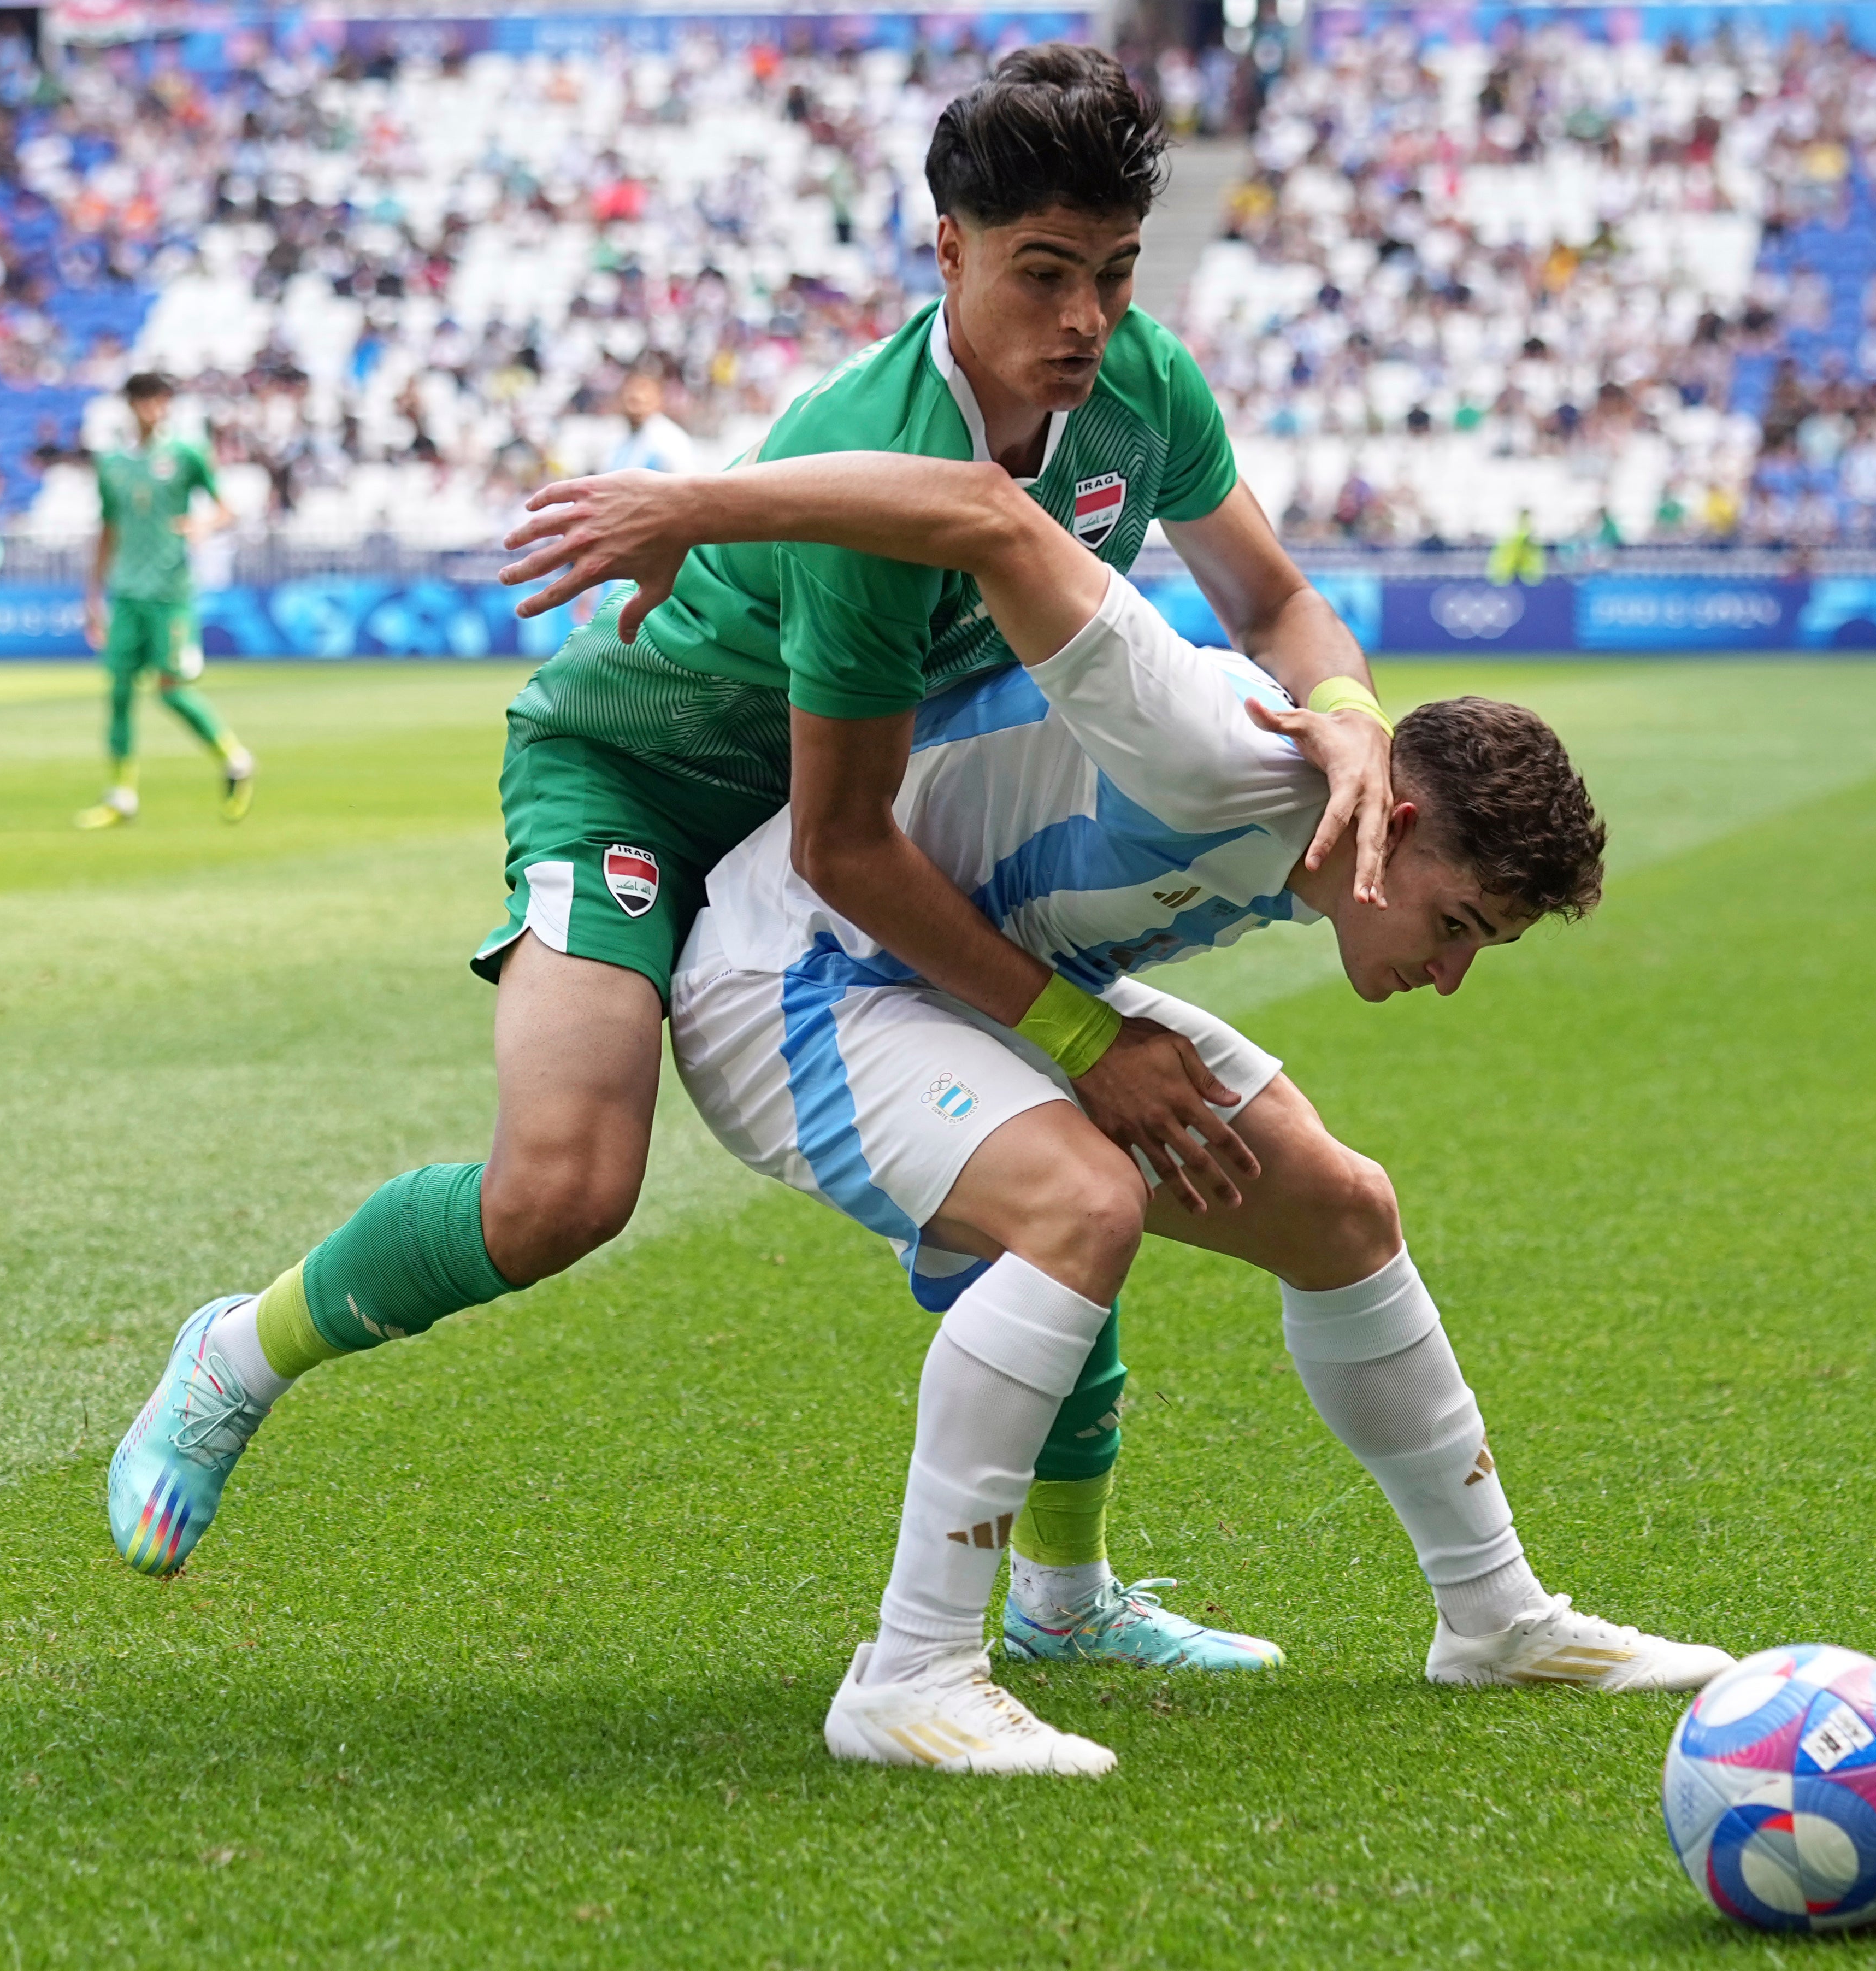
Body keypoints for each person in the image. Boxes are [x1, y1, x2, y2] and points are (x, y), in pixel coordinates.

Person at [108, 50, 1393, 1680]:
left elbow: (1275, 599)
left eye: (1117, 272)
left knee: (1050, 1161)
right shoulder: (866, 460)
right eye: (1043, 273)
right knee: (562, 1189)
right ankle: (236, 1352)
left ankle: (1065, 1602)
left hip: (868, 797)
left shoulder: (1144, 387)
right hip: (647, 781)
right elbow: (842, 842)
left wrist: (1349, 712)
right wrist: (1077, 1031)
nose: (1086, 317)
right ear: (948, 252)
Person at [646, 450, 1738, 1771]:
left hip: (965, 980)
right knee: (1080, 1202)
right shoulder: (1200, 743)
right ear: (1388, 823)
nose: (1445, 975)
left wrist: (1079, 1022)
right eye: (1452, 925)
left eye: (1479, 949)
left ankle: (1494, 1618)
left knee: (1342, 1210)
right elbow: (991, 516)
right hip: (790, 977)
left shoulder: (1335, 819)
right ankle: (910, 1671)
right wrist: (685, 503)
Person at [77, 373, 255, 830]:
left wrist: (204, 526)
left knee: (172, 690)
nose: (154, 409)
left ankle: (234, 758)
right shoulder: (112, 463)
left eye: (161, 400)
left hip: (171, 595)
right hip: (127, 594)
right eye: (145, 400)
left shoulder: (187, 454)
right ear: (132, 405)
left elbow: (226, 508)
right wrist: (92, 594)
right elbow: (108, 530)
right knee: (117, 693)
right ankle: (122, 795)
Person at [605, 361, 699, 476]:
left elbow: (685, 480)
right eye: (632, 388)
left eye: (644, 388)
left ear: (659, 398)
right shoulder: (611, 431)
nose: (637, 395)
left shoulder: (671, 441)